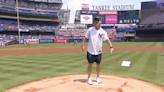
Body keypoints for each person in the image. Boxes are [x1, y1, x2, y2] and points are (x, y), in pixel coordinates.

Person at [81, 17, 114, 85]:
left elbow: (107, 39)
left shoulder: (103, 31)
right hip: (90, 50)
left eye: (97, 20)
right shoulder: (90, 30)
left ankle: (98, 77)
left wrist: (111, 47)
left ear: (100, 22)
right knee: (90, 64)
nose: (96, 22)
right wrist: (83, 45)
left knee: (98, 64)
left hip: (98, 51)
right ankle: (89, 78)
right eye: (95, 20)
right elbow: (85, 38)